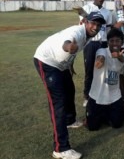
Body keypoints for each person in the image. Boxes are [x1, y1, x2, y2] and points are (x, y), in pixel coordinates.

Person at [33, 11, 106, 159]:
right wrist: (69, 48)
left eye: (98, 25)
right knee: (57, 103)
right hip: (47, 62)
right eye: (93, 23)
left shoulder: (87, 35)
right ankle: (61, 149)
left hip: (62, 65)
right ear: (85, 22)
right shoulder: (77, 33)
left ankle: (69, 120)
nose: (96, 27)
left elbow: (73, 50)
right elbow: (68, 44)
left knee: (70, 90)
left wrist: (70, 63)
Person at [86, 28, 124, 131]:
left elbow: (123, 61)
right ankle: (98, 114)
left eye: (117, 41)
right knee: (93, 127)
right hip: (97, 96)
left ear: (122, 42)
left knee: (117, 124)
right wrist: (100, 61)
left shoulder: (122, 56)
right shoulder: (102, 50)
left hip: (114, 97)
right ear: (107, 42)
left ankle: (107, 114)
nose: (114, 43)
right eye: (111, 41)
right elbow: (100, 57)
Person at [80, 0, 113, 107]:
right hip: (90, 42)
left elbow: (108, 29)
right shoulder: (86, 9)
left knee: (103, 69)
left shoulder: (107, 12)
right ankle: (87, 96)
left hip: (103, 43)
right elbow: (83, 24)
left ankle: (101, 93)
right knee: (89, 70)